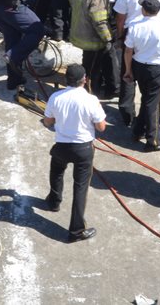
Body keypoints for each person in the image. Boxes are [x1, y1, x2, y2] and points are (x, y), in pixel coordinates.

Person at [42, 64, 107, 243]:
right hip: (83, 149)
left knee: (56, 170)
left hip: (62, 146)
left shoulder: (55, 97)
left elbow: (48, 122)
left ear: (66, 80)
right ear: (84, 80)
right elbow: (101, 127)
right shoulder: (91, 100)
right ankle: (76, 230)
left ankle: (54, 201)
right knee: (80, 187)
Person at [123, 0, 160, 151]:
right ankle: (153, 140)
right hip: (156, 70)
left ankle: (137, 132)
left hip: (138, 67)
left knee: (147, 100)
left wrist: (128, 70)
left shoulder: (135, 26)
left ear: (144, 10)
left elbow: (128, 50)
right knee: (152, 104)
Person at [68, 0, 116, 97]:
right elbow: (98, 17)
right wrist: (108, 37)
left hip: (79, 30)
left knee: (87, 62)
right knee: (93, 70)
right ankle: (90, 94)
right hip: (92, 36)